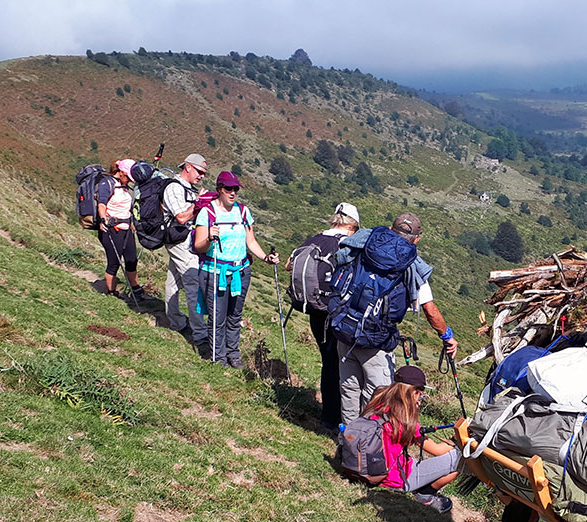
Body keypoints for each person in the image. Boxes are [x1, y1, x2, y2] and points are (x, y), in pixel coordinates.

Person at [332, 212, 458, 426]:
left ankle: (348, 443)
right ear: (417, 239)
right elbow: (429, 309)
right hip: (377, 340)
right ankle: (368, 446)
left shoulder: (363, 244)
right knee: (377, 397)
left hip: (345, 328)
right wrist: (447, 336)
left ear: (391, 229)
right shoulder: (411, 263)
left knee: (350, 390)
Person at [191, 170, 278, 368]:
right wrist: (209, 238)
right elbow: (199, 246)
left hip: (240, 271)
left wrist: (266, 258)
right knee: (217, 317)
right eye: (228, 189)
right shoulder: (207, 213)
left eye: (235, 189)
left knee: (234, 315)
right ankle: (218, 358)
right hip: (214, 271)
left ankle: (233, 355)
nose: (232, 193)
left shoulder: (243, 211)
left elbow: (251, 241)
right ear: (219, 189)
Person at [289, 201, 359, 430]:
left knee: (327, 361)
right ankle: (334, 418)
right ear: (353, 226)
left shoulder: (315, 239)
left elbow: (291, 264)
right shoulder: (347, 245)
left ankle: (330, 415)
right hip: (336, 311)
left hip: (315, 309)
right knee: (339, 364)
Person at [361, 365, 460, 513]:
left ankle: (422, 489)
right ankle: (425, 495)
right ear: (415, 392)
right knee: (460, 460)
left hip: (367, 467)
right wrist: (458, 441)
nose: (421, 398)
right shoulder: (405, 420)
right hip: (395, 479)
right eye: (421, 394)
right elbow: (438, 451)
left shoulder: (378, 402)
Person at [163, 153, 208, 351]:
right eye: (199, 171)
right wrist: (198, 203)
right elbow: (181, 217)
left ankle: (176, 322)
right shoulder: (173, 187)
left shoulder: (189, 189)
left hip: (184, 240)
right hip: (179, 239)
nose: (201, 176)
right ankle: (200, 334)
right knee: (193, 284)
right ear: (188, 167)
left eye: (204, 173)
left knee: (173, 281)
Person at [96, 159, 145, 300]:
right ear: (121, 172)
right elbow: (101, 204)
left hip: (126, 229)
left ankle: (136, 289)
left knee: (131, 260)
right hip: (111, 229)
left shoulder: (124, 187)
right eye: (129, 177)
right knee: (114, 262)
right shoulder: (107, 184)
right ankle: (112, 293)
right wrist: (103, 219)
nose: (130, 180)